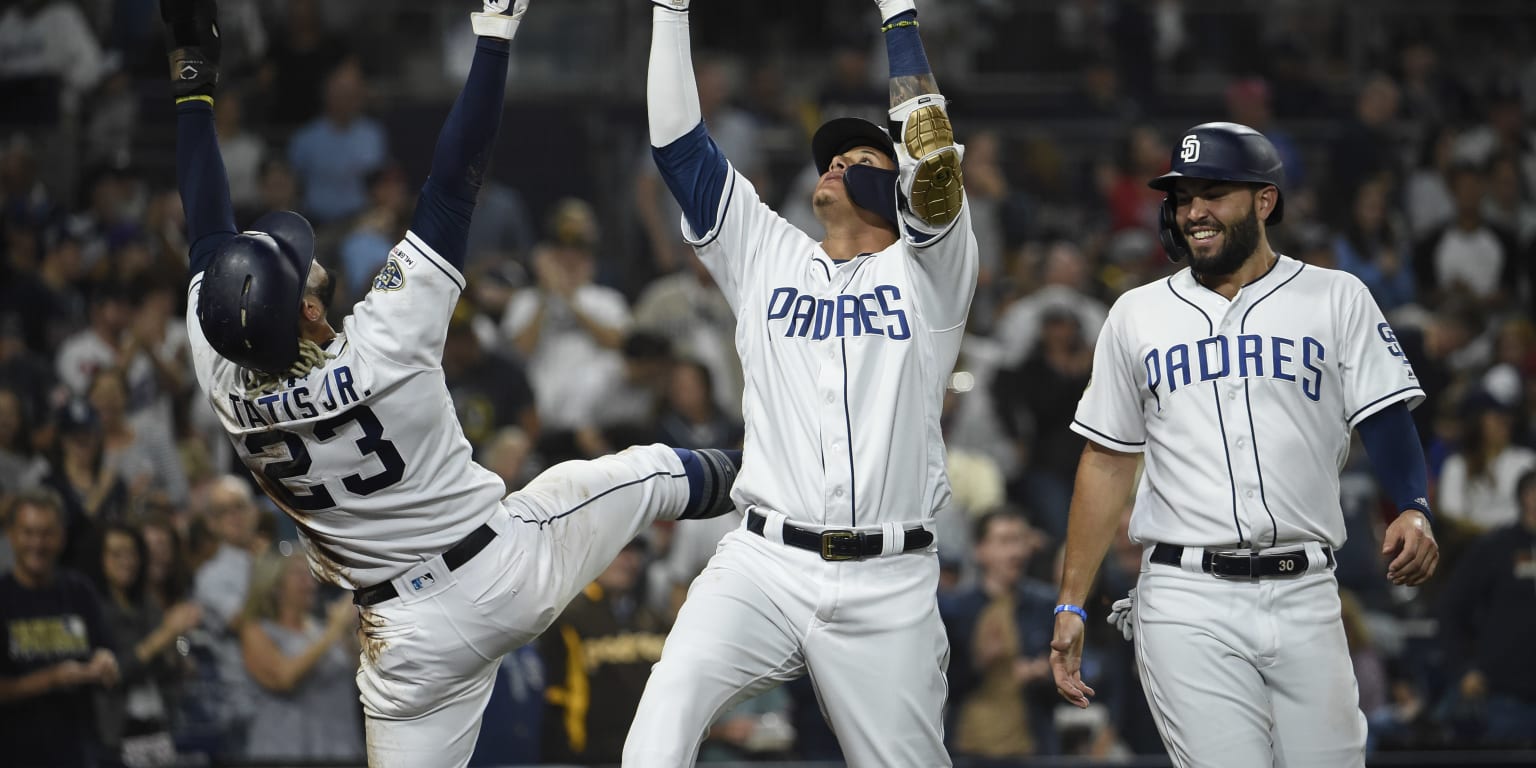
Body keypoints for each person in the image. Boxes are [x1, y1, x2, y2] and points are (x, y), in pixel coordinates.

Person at [163, 1, 739, 765]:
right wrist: (494, 39)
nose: (304, 248)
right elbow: (453, 185)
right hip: (502, 570)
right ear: (306, 310)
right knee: (656, 471)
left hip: (402, 649)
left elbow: (206, 235)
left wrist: (190, 87)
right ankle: (785, 482)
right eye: (298, 261)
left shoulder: (222, 374)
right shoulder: (384, 345)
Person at [625, 0, 976, 765]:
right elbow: (679, 148)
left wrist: (898, 18)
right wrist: (670, 11)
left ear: (899, 192)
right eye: (831, 157)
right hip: (763, 562)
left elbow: (937, 163)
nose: (836, 163)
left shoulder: (931, 276)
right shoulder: (768, 254)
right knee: (666, 705)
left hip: (888, 579)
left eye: (861, 160)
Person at [1049, 121, 1441, 768]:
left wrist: (1414, 505)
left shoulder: (1335, 296)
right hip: (1185, 595)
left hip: (1308, 589)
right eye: (1182, 197)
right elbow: (1107, 460)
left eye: (1214, 193)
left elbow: (1386, 416)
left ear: (1264, 200)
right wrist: (1071, 602)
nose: (1194, 211)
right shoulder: (1137, 313)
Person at [0, 489, 120, 768]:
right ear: (11, 535)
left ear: (62, 536)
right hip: (15, 751)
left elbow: (107, 652)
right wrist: (52, 678)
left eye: (47, 533)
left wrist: (106, 663)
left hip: (80, 749)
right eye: (28, 532)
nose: (37, 544)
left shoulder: (80, 591)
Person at [237, 550, 363, 762]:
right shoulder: (257, 631)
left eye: (310, 574)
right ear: (276, 586)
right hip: (285, 751)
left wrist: (347, 635)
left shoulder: (322, 628)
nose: (310, 583)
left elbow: (362, 675)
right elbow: (284, 678)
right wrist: (333, 631)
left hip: (341, 748)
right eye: (299, 575)